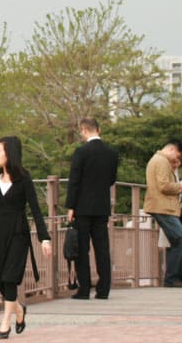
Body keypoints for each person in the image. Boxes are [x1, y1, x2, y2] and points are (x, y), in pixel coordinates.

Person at [0, 136, 52, 338]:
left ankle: (5, 324)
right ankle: (19, 310)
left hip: (19, 233)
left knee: (10, 278)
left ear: (9, 153)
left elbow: (35, 210)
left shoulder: (24, 178)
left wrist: (45, 238)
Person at [64, 118, 119, 300]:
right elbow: (111, 179)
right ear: (99, 129)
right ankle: (104, 289)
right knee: (102, 248)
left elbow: (74, 181)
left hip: (82, 207)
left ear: (84, 130)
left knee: (82, 248)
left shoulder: (81, 152)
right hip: (102, 206)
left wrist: (71, 206)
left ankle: (84, 288)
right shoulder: (111, 153)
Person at [144, 140, 182, 288]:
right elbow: (164, 186)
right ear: (173, 150)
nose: (176, 159)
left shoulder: (157, 159)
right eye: (177, 155)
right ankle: (171, 278)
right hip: (163, 207)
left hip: (162, 206)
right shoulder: (161, 161)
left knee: (177, 242)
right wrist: (180, 186)